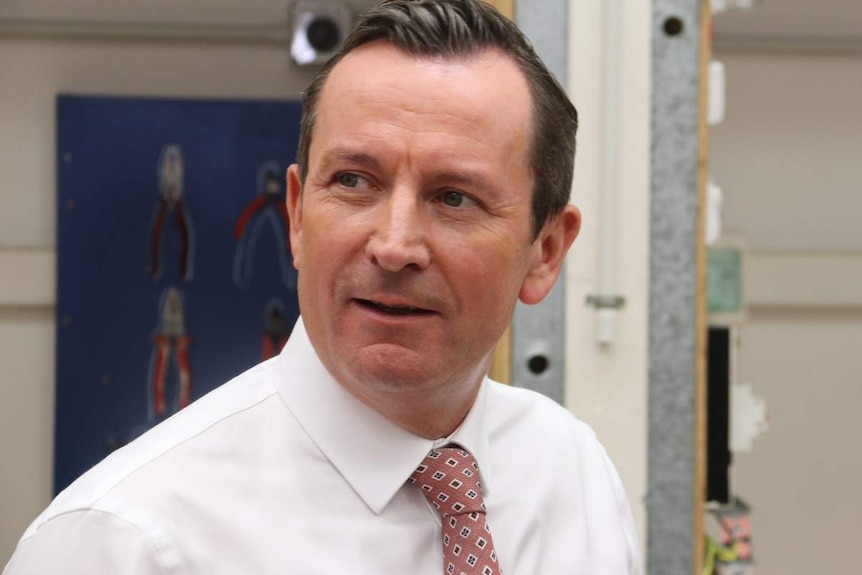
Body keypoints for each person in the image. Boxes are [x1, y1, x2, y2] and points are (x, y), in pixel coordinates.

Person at [3, 1, 641, 573]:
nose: (393, 246)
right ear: (297, 214)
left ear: (546, 251)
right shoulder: (124, 543)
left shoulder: (573, 473)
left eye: (454, 197)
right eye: (355, 182)